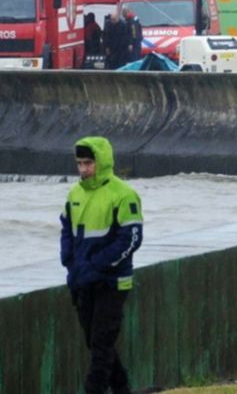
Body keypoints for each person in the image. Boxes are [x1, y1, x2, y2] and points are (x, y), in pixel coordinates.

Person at [60, 137, 144, 394]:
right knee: (96, 342)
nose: (84, 169)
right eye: (80, 163)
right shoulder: (74, 194)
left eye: (88, 163)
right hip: (82, 280)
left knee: (101, 344)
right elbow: (67, 230)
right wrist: (69, 261)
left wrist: (98, 265)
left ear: (102, 162)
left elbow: (131, 239)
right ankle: (122, 389)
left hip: (112, 282)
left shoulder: (124, 194)